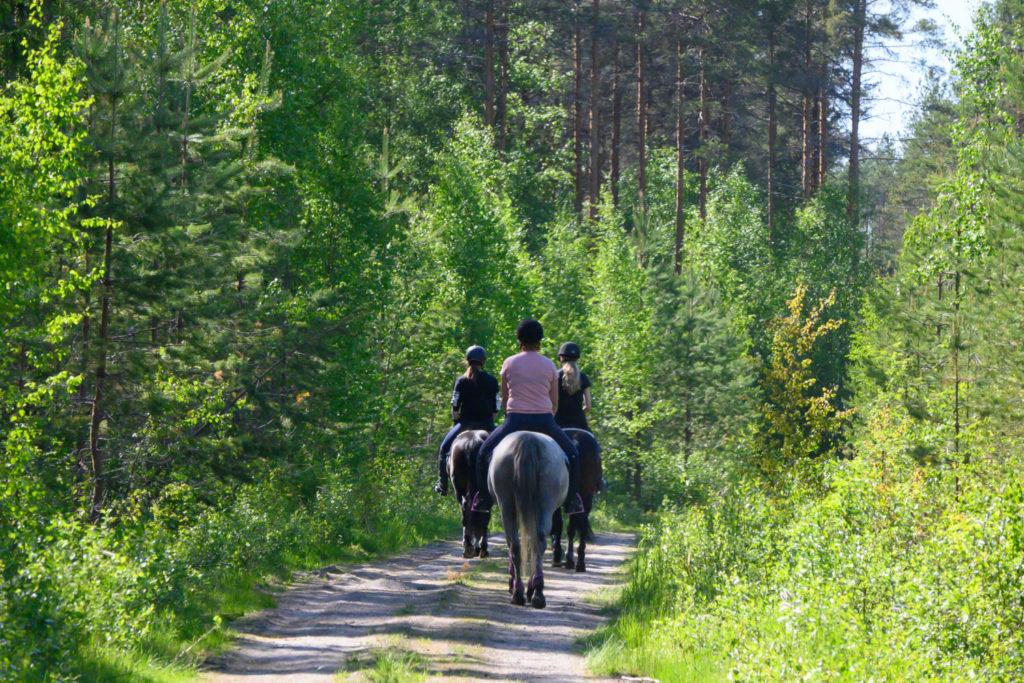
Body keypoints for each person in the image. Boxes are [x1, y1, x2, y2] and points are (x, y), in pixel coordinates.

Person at [473, 319, 585, 514]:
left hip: (515, 420)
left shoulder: (509, 362)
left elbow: (505, 397)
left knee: (483, 453)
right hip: (544, 420)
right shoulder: (549, 365)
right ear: (540, 340)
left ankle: (483, 498)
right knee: (574, 455)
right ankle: (572, 500)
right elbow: (554, 402)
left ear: (519, 340)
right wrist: (547, 417)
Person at [434, 345, 499, 496]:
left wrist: (455, 419)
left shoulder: (461, 380)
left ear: (467, 361)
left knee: (444, 449)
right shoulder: (491, 380)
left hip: (464, 424)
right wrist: (491, 418)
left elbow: (455, 405)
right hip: (487, 425)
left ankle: (442, 484)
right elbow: (496, 407)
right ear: (483, 361)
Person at [554, 341, 592, 431]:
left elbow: (552, 403)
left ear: (561, 358)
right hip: (580, 424)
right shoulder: (583, 377)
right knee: (594, 444)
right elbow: (588, 406)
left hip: (558, 424)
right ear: (577, 359)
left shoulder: (555, 376)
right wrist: (577, 414)